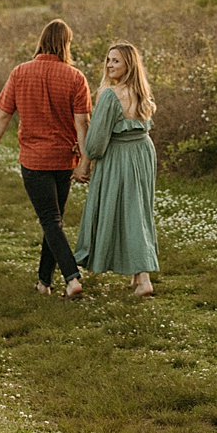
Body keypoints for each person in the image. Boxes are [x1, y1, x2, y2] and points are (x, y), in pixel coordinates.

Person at [0, 19, 92, 299]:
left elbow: (3, 114)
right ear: (66, 44)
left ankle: (72, 278)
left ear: (41, 40)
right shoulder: (75, 77)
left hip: (34, 161)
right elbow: (83, 125)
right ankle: (44, 282)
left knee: (50, 221)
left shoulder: (20, 73)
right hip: (64, 160)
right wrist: (84, 162)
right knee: (53, 221)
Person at [73, 42, 160, 297]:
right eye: (108, 60)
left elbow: (97, 139)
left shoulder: (110, 95)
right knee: (139, 209)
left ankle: (144, 279)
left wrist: (83, 167)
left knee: (129, 213)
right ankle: (137, 275)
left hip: (121, 155)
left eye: (116, 61)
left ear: (128, 65)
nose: (110, 65)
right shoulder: (141, 92)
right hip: (143, 153)